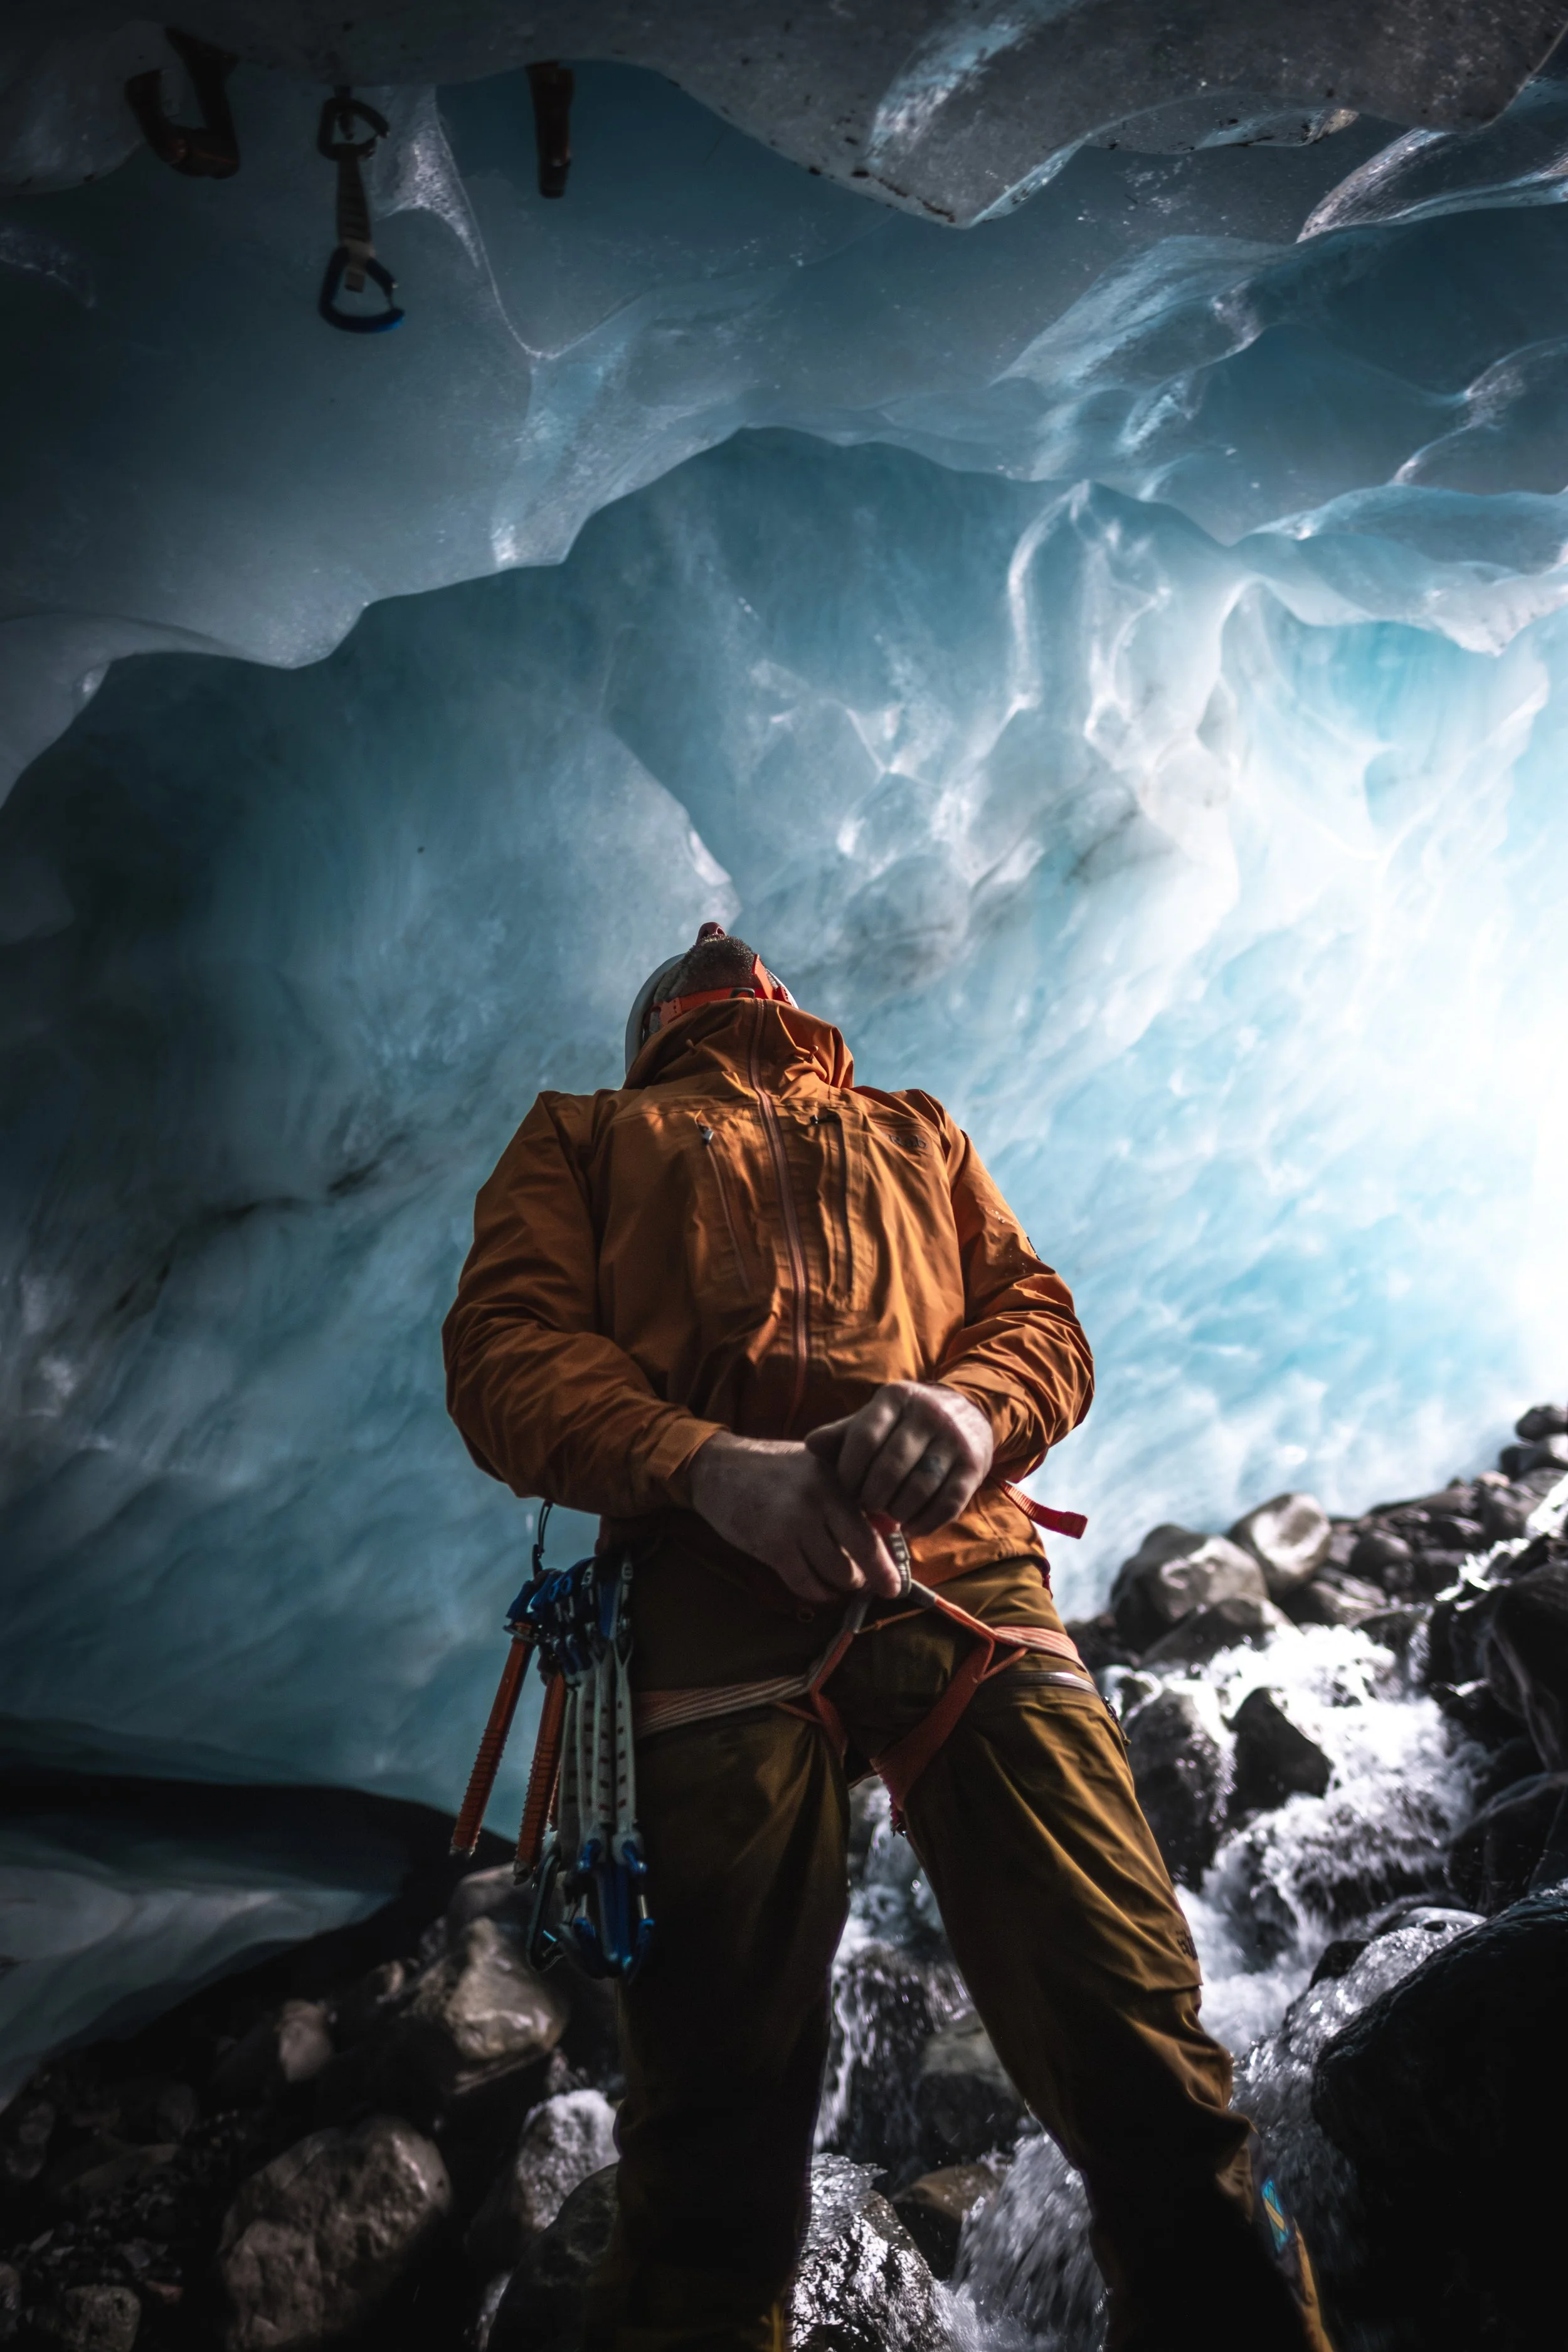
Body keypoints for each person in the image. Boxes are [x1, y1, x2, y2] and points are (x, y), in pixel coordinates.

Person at [443, 924, 1333, 2352]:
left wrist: (975, 1410)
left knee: (1148, 2071)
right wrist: (704, 1462)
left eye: (750, 962)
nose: (718, 943)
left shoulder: (915, 1129)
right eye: (693, 964)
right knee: (711, 2167)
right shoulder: (584, 1135)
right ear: (653, 1025)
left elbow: (1036, 1319)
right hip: (705, 1597)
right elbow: (504, 1354)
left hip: (963, 1574)